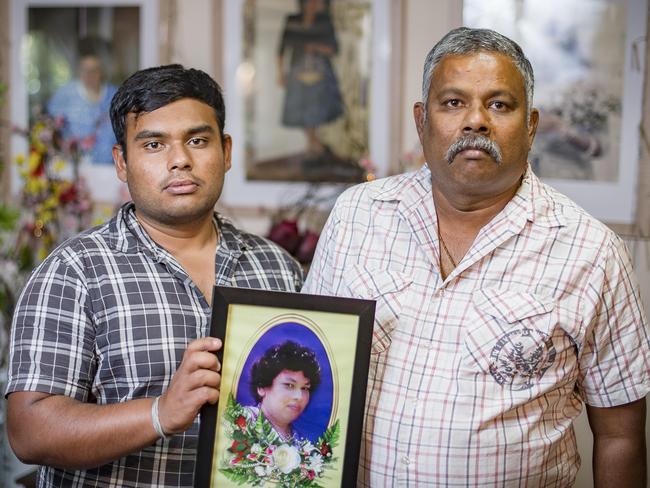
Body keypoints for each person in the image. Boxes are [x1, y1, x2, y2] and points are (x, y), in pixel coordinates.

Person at [303, 27, 650, 487]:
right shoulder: (357, 214)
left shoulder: (591, 250)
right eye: (453, 103)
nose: (475, 121)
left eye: (499, 104)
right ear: (421, 120)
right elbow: (308, 366)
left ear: (531, 124)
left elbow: (619, 434)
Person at [6, 64, 303, 487]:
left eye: (198, 141)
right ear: (122, 162)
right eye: (153, 145)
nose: (180, 160)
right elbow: (29, 431)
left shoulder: (277, 268)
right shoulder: (75, 271)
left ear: (227, 151)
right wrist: (160, 412)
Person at [277, 0, 343, 158]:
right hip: (297, 72)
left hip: (321, 73)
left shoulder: (324, 21)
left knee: (317, 108)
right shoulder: (293, 20)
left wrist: (315, 47)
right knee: (301, 108)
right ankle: (313, 143)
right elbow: (281, 49)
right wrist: (280, 73)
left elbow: (333, 49)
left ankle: (315, 144)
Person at [47, 46, 118, 165]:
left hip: (109, 168)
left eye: (94, 70)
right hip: (72, 166)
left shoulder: (114, 95)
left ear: (101, 72)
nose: (90, 75)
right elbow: (51, 126)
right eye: (85, 70)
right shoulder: (65, 94)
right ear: (79, 72)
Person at [244, 340, 321, 441]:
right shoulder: (240, 422)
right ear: (261, 387)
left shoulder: (300, 443)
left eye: (305, 388)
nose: (299, 396)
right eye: (289, 385)